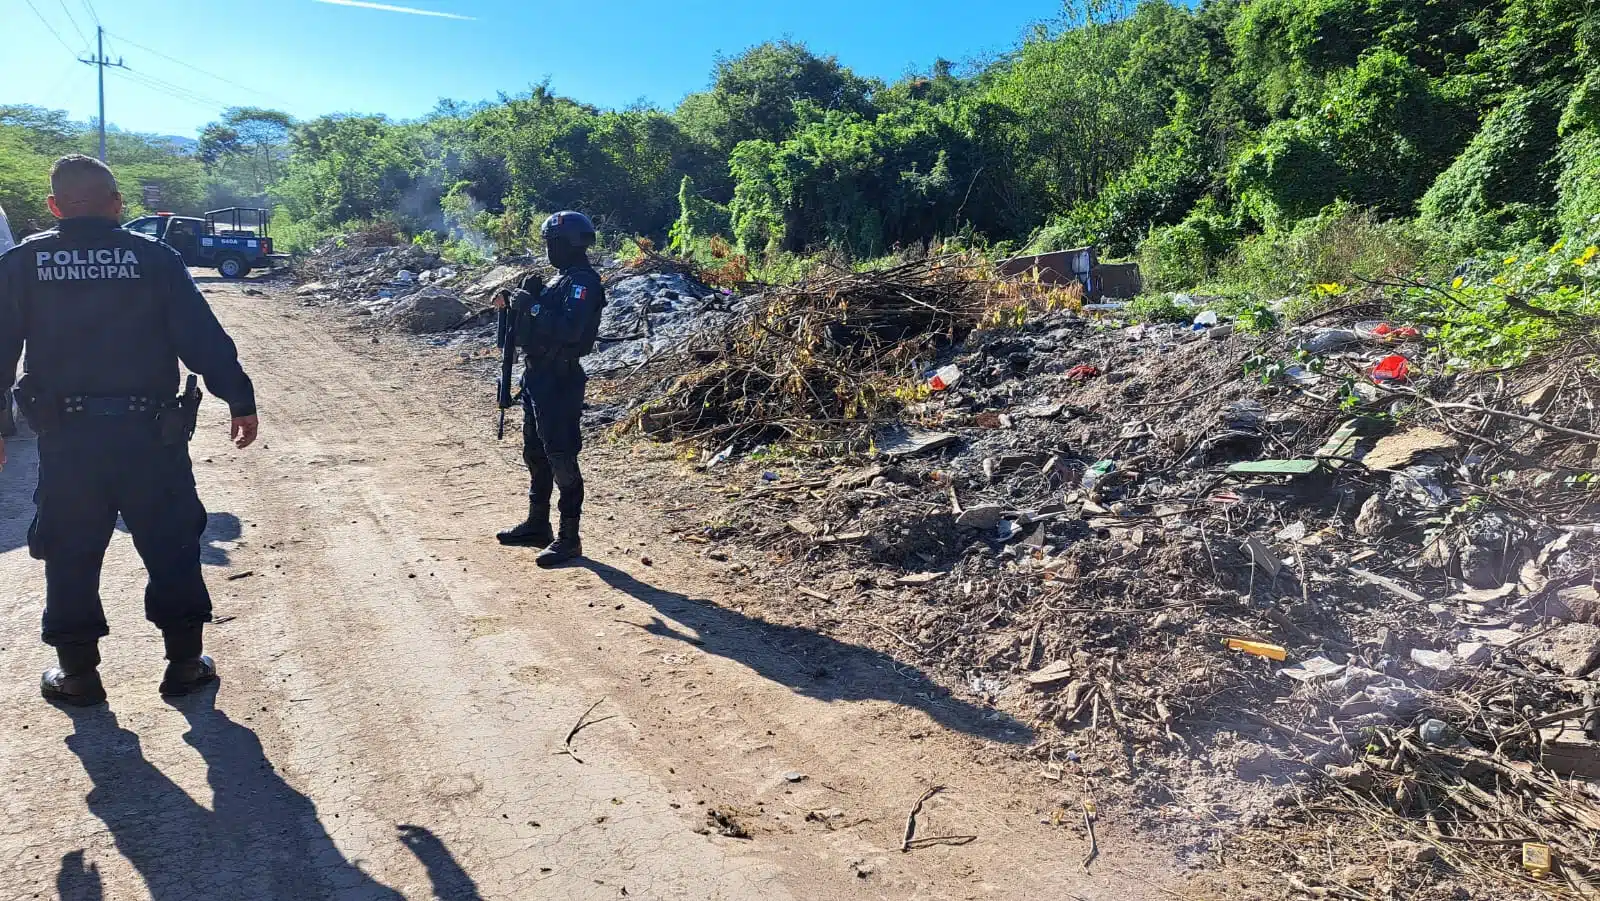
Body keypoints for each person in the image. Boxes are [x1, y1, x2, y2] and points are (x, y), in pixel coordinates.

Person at [0, 155, 259, 706]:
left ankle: (79, 676)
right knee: (171, 544)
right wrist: (239, 397)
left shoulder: (24, 263)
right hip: (151, 437)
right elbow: (201, 337)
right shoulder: (154, 258)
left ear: (53, 207)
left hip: (68, 440)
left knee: (69, 549)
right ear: (118, 204)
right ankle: (185, 667)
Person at [493, 211, 605, 567]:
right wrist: (518, 302)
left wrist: (535, 306)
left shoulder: (583, 283)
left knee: (561, 456)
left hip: (561, 379)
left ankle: (568, 538)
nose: (548, 251)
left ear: (567, 244)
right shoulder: (561, 280)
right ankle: (537, 523)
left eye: (552, 244)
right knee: (535, 453)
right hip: (538, 376)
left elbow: (571, 330)